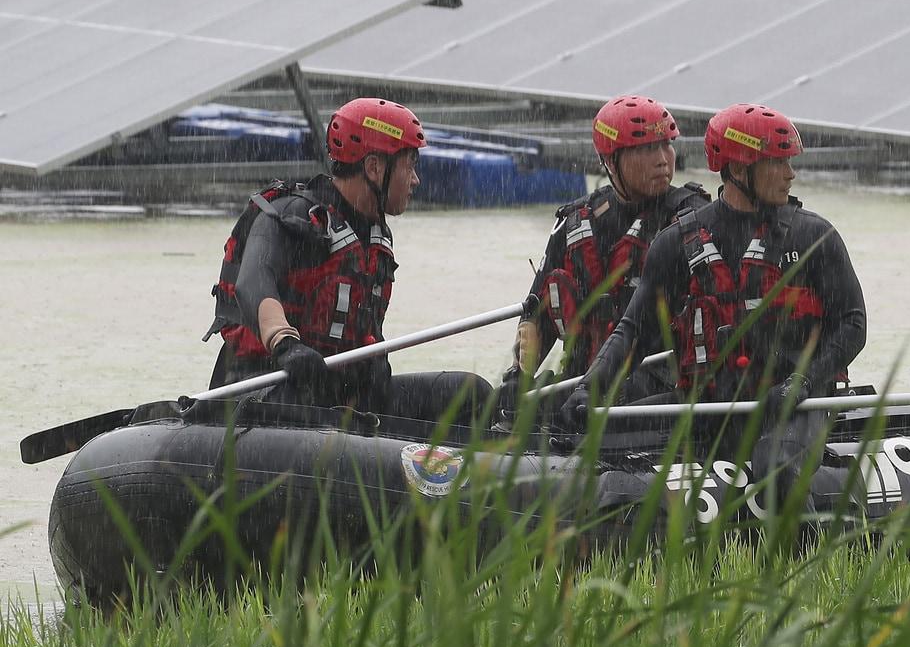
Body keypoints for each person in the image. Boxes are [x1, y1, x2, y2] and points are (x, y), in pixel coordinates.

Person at [563, 103, 867, 511]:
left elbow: (853, 324)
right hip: (707, 402)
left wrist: (804, 383)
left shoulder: (816, 236)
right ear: (739, 170)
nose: (790, 174)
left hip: (795, 403)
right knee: (588, 442)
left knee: (775, 468)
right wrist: (590, 386)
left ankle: (806, 561)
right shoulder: (676, 244)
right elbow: (632, 330)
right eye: (777, 163)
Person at [205, 97, 491, 421]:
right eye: (409, 165)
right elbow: (252, 280)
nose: (415, 180)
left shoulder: (375, 235)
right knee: (302, 408)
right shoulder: (292, 219)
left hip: (341, 393)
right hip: (269, 389)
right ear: (374, 167)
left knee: (471, 393)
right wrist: (285, 344)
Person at [499, 95, 708, 416]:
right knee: (507, 400)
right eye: (645, 149)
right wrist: (518, 376)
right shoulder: (575, 222)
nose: (663, 159)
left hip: (657, 384)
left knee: (624, 392)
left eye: (667, 144)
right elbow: (536, 313)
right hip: (580, 382)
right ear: (611, 161)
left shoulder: (692, 218)